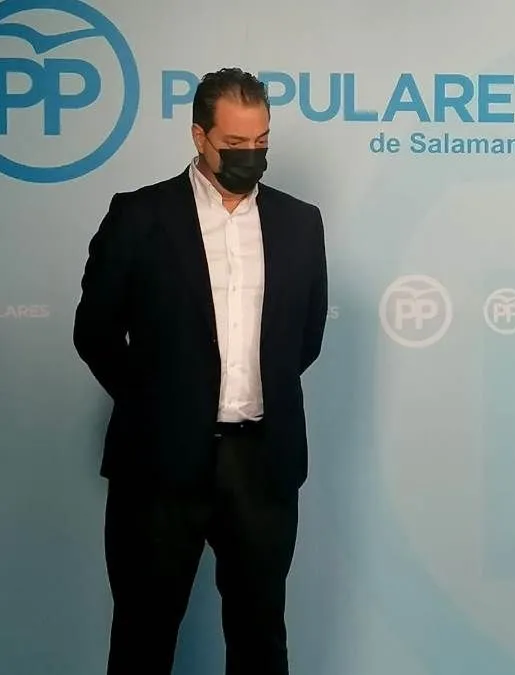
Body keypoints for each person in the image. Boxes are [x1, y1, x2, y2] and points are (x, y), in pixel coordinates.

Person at [73, 68, 328, 675]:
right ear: (199, 136)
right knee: (142, 638)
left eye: (261, 142)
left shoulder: (300, 222)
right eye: (234, 144)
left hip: (262, 464)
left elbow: (305, 336)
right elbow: (95, 332)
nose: (250, 155)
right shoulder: (139, 216)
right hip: (158, 466)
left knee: (260, 639)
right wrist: (156, 406)